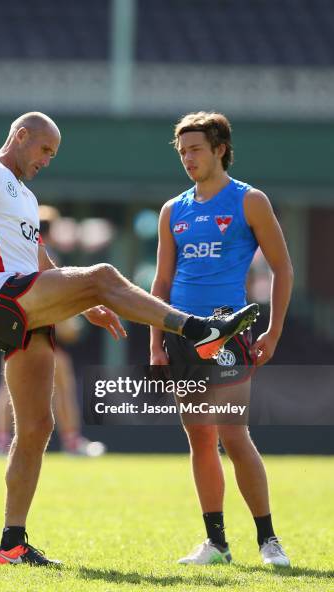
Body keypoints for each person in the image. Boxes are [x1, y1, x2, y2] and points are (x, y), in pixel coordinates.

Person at [0, 111, 259, 566]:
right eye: (44, 150)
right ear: (21, 135)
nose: (47, 160)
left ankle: (11, 543)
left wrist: (84, 303)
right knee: (104, 274)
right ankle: (196, 328)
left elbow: (36, 256)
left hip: (26, 302)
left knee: (36, 427)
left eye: (53, 154)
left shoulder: (26, 198)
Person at [150, 111, 294, 566]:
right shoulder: (173, 210)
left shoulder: (249, 201)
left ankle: (268, 540)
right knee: (199, 438)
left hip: (230, 333)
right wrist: (155, 342)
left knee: (233, 433)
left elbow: (283, 268)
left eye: (195, 150)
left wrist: (273, 331)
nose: (187, 159)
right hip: (180, 334)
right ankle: (216, 543)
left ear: (220, 150)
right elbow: (161, 282)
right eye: (182, 151)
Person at [0, 206, 106, 457]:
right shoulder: (44, 256)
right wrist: (71, 322)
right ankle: (72, 441)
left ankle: (0, 442)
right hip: (41, 330)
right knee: (62, 386)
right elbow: (54, 295)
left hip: (14, 328)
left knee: (7, 387)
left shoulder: (13, 253)